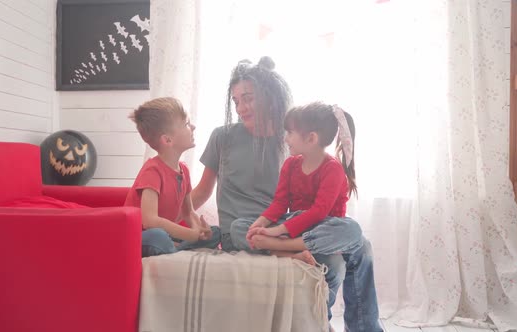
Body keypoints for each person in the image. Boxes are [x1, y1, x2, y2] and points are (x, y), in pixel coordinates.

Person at [192, 57, 382, 331]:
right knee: (240, 229)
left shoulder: (293, 142)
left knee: (357, 240)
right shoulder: (223, 137)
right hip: (247, 231)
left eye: (248, 98)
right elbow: (201, 191)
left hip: (291, 229)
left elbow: (312, 208)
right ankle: (321, 323)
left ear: (268, 97)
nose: (241, 107)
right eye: (236, 101)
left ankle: (356, 326)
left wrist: (285, 228)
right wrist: (171, 216)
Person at [232, 101, 362, 268]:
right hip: (293, 228)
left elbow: (318, 212)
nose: (285, 138)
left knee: (352, 229)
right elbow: (279, 203)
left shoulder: (333, 169)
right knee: (238, 228)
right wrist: (261, 223)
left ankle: (281, 247)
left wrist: (276, 232)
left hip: (320, 228)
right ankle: (291, 255)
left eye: (290, 133)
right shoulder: (290, 164)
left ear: (311, 138)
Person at [125, 97, 220, 257]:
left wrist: (199, 230)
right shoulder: (152, 171)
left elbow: (189, 212)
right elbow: (149, 221)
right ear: (167, 140)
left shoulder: (184, 170)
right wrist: (190, 235)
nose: (193, 127)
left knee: (216, 232)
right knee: (158, 237)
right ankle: (175, 248)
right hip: (138, 236)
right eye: (186, 124)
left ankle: (174, 248)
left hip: (165, 235)